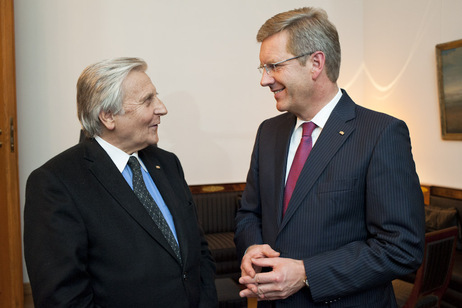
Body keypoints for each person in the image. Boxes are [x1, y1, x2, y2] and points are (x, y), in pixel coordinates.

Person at [234, 7, 425, 308]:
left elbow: (401, 248)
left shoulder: (381, 133)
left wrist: (307, 273)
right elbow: (249, 214)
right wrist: (253, 247)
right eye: (263, 69)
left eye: (274, 66)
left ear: (316, 63)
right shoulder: (269, 133)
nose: (265, 80)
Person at [24, 57, 218, 308]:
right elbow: (63, 298)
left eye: (156, 96)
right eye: (148, 100)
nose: (162, 108)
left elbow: (198, 251)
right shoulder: (56, 183)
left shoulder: (168, 164)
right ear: (108, 116)